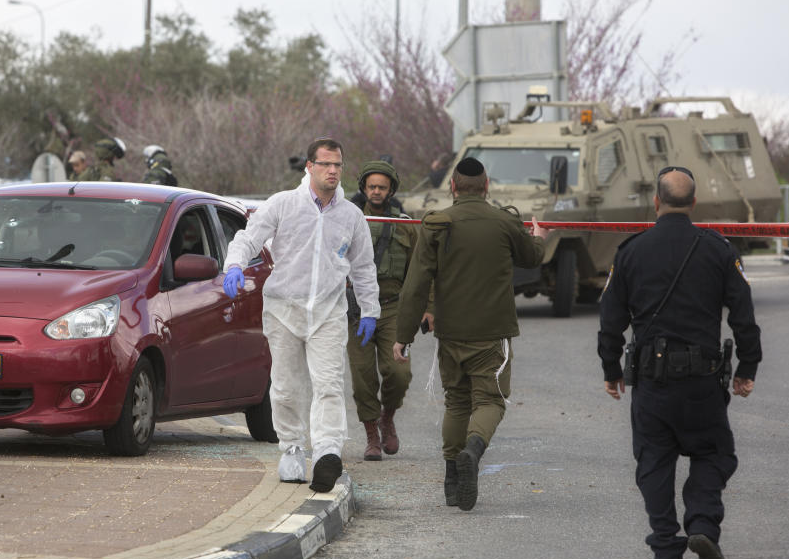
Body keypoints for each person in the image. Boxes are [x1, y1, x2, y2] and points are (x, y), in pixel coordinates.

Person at [598, 167, 761, 559]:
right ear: (694, 203)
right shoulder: (718, 249)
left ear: (656, 201)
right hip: (703, 381)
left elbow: (610, 318)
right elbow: (743, 313)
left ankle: (665, 551)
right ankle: (703, 524)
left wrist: (611, 367)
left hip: (652, 382)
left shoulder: (631, 251)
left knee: (653, 463)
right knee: (713, 452)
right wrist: (748, 366)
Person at [222, 137, 380, 493]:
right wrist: (234, 265)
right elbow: (249, 237)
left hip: (328, 311)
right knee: (286, 386)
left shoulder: (351, 216)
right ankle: (292, 448)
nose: (332, 171)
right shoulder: (283, 204)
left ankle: (327, 451)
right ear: (309, 167)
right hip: (283, 308)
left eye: (338, 165)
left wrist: (370, 310)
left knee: (328, 384)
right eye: (325, 164)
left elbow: (364, 267)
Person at [393, 157, 547, 511]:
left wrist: (403, 335)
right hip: (492, 333)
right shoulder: (505, 222)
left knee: (457, 401)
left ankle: (452, 478)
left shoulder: (436, 224)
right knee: (490, 401)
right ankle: (473, 453)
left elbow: (416, 283)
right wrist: (538, 238)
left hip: (450, 332)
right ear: (487, 186)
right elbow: (530, 257)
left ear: (453, 187)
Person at [346, 159, 431, 461]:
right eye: (372, 186)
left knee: (399, 372)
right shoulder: (349, 220)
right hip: (354, 310)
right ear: (364, 188)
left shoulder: (405, 225)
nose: (377, 191)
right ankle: (371, 435)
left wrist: (428, 308)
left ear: (391, 189)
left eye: (382, 187)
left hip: (393, 308)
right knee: (362, 376)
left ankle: (387, 416)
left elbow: (422, 271)